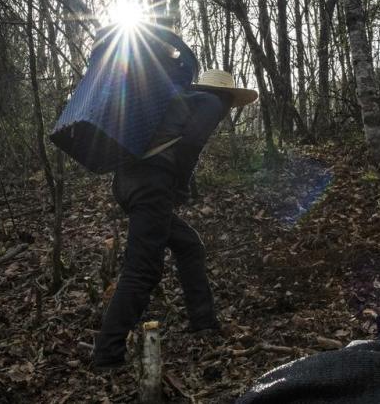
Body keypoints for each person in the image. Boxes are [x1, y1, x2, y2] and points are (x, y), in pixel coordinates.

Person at [91, 69, 258, 369]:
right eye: (231, 102)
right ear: (226, 95)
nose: (228, 109)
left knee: (188, 245)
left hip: (127, 183)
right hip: (151, 185)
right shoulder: (211, 103)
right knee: (142, 270)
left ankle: (203, 321)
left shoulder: (183, 100)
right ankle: (107, 355)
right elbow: (191, 144)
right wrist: (180, 185)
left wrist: (178, 185)